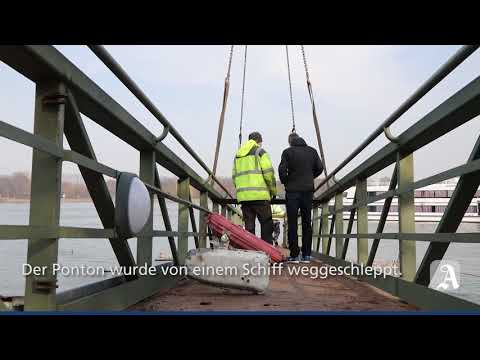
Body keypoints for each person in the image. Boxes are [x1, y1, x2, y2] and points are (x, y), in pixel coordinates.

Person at [279, 132, 323, 263]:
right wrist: (310, 176)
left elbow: (282, 171)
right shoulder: (312, 151)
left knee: (292, 223)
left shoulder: (287, 152)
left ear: (290, 141)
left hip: (292, 191)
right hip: (307, 191)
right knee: (306, 222)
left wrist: (287, 181)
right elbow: (320, 168)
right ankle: (306, 255)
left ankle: (294, 255)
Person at [232, 131, 277, 244]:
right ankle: (267, 253)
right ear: (259, 141)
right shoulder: (260, 152)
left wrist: (241, 192)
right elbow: (268, 174)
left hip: (244, 198)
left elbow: (234, 177)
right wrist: (273, 191)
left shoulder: (238, 155)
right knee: (266, 226)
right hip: (260, 196)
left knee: (249, 228)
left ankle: (251, 252)